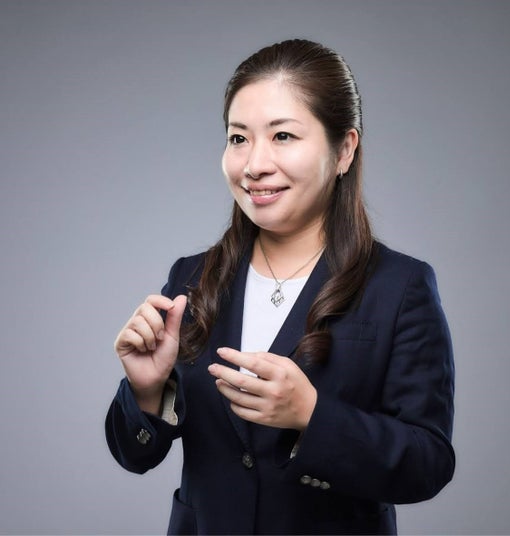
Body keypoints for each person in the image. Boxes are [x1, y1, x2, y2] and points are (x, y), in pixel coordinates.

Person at [105, 39, 455, 535]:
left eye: (283, 136)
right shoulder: (191, 278)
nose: (254, 165)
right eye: (238, 138)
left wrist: (313, 416)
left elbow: (428, 463)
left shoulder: (399, 287)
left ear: (344, 150)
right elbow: (135, 455)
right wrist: (146, 392)